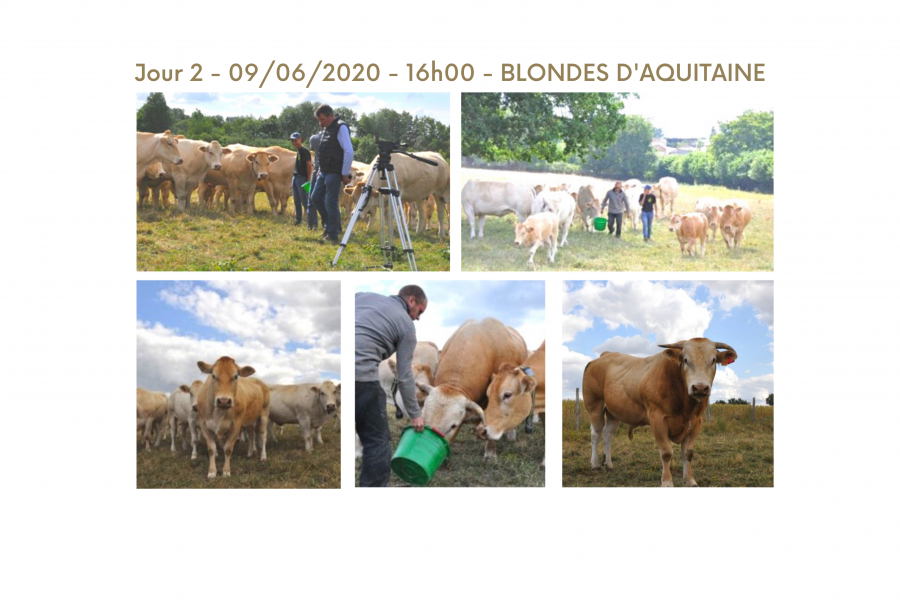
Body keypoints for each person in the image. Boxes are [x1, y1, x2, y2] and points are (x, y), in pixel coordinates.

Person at [355, 285, 427, 487]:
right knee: (377, 442)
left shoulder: (361, 296)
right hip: (362, 378)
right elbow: (405, 376)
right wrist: (415, 414)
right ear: (411, 301)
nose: (418, 317)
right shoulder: (406, 325)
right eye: (420, 311)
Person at [309, 104, 354, 243]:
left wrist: (345, 173)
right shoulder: (327, 129)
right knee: (315, 197)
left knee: (330, 202)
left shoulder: (341, 127)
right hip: (324, 171)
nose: (321, 123)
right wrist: (321, 169)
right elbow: (325, 151)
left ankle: (333, 234)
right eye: (319, 120)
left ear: (330, 116)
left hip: (335, 172)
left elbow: (348, 151)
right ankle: (330, 226)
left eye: (322, 119)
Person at [289, 132, 312, 227]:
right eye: (292, 141)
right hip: (296, 177)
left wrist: (308, 179)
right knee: (296, 200)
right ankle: (298, 219)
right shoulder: (298, 151)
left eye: (296, 140)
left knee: (304, 200)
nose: (294, 142)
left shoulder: (304, 151)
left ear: (300, 139)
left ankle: (311, 221)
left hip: (302, 178)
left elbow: (309, 165)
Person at [307, 128, 326, 230]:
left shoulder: (314, 138)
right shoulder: (334, 138)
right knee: (329, 200)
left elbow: (313, 150)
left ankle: (312, 226)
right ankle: (327, 226)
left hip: (318, 168)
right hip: (332, 170)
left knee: (312, 200)